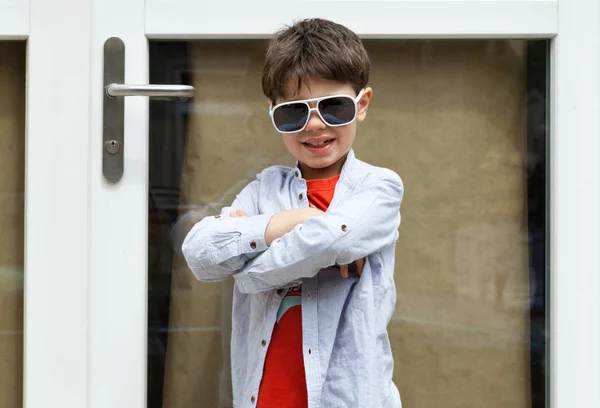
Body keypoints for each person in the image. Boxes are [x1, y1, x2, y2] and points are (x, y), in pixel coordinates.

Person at [182, 17, 404, 408]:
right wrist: (290, 221)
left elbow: (334, 239)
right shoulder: (263, 189)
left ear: (362, 104)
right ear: (273, 114)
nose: (315, 125)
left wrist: (248, 269)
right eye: (294, 113)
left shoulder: (378, 188)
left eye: (334, 107)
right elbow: (200, 253)